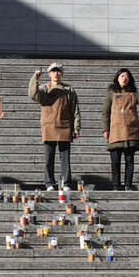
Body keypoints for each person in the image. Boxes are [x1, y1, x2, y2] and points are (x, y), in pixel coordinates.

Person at [28, 63, 80, 192]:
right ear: (49, 74)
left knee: (65, 159)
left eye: (58, 71)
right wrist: (35, 78)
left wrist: (76, 127)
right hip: (49, 126)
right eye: (53, 71)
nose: (56, 73)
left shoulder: (69, 90)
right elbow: (32, 94)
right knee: (48, 157)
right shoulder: (45, 88)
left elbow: (75, 110)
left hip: (65, 126)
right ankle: (49, 183)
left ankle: (66, 183)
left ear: (61, 74)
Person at [102, 68, 139, 190]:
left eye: (126, 76)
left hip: (131, 131)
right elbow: (105, 112)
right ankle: (116, 185)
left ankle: (128, 185)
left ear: (129, 79)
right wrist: (105, 129)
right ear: (117, 79)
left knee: (129, 160)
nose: (124, 79)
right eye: (121, 76)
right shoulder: (111, 94)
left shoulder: (133, 93)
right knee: (115, 161)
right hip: (115, 131)